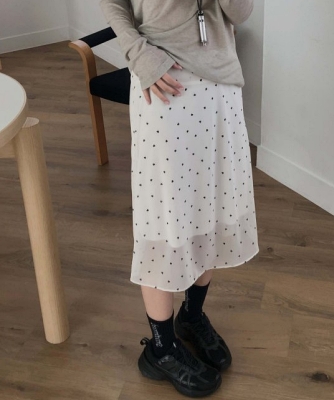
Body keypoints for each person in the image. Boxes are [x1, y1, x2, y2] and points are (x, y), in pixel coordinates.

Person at [99, 0, 259, 397]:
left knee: (212, 207)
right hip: (160, 82)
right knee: (164, 217)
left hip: (221, 85)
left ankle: (192, 314)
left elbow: (240, 13)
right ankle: (161, 347)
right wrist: (137, 52)